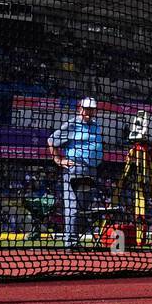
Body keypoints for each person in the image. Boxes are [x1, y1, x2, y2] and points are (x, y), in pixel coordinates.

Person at [47, 97, 104, 249]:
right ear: (80, 109)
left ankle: (77, 240)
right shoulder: (72, 124)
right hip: (75, 170)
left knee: (84, 207)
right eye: (87, 109)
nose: (89, 112)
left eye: (92, 109)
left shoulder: (96, 126)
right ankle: (71, 243)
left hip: (91, 171)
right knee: (73, 206)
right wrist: (59, 160)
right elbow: (51, 140)